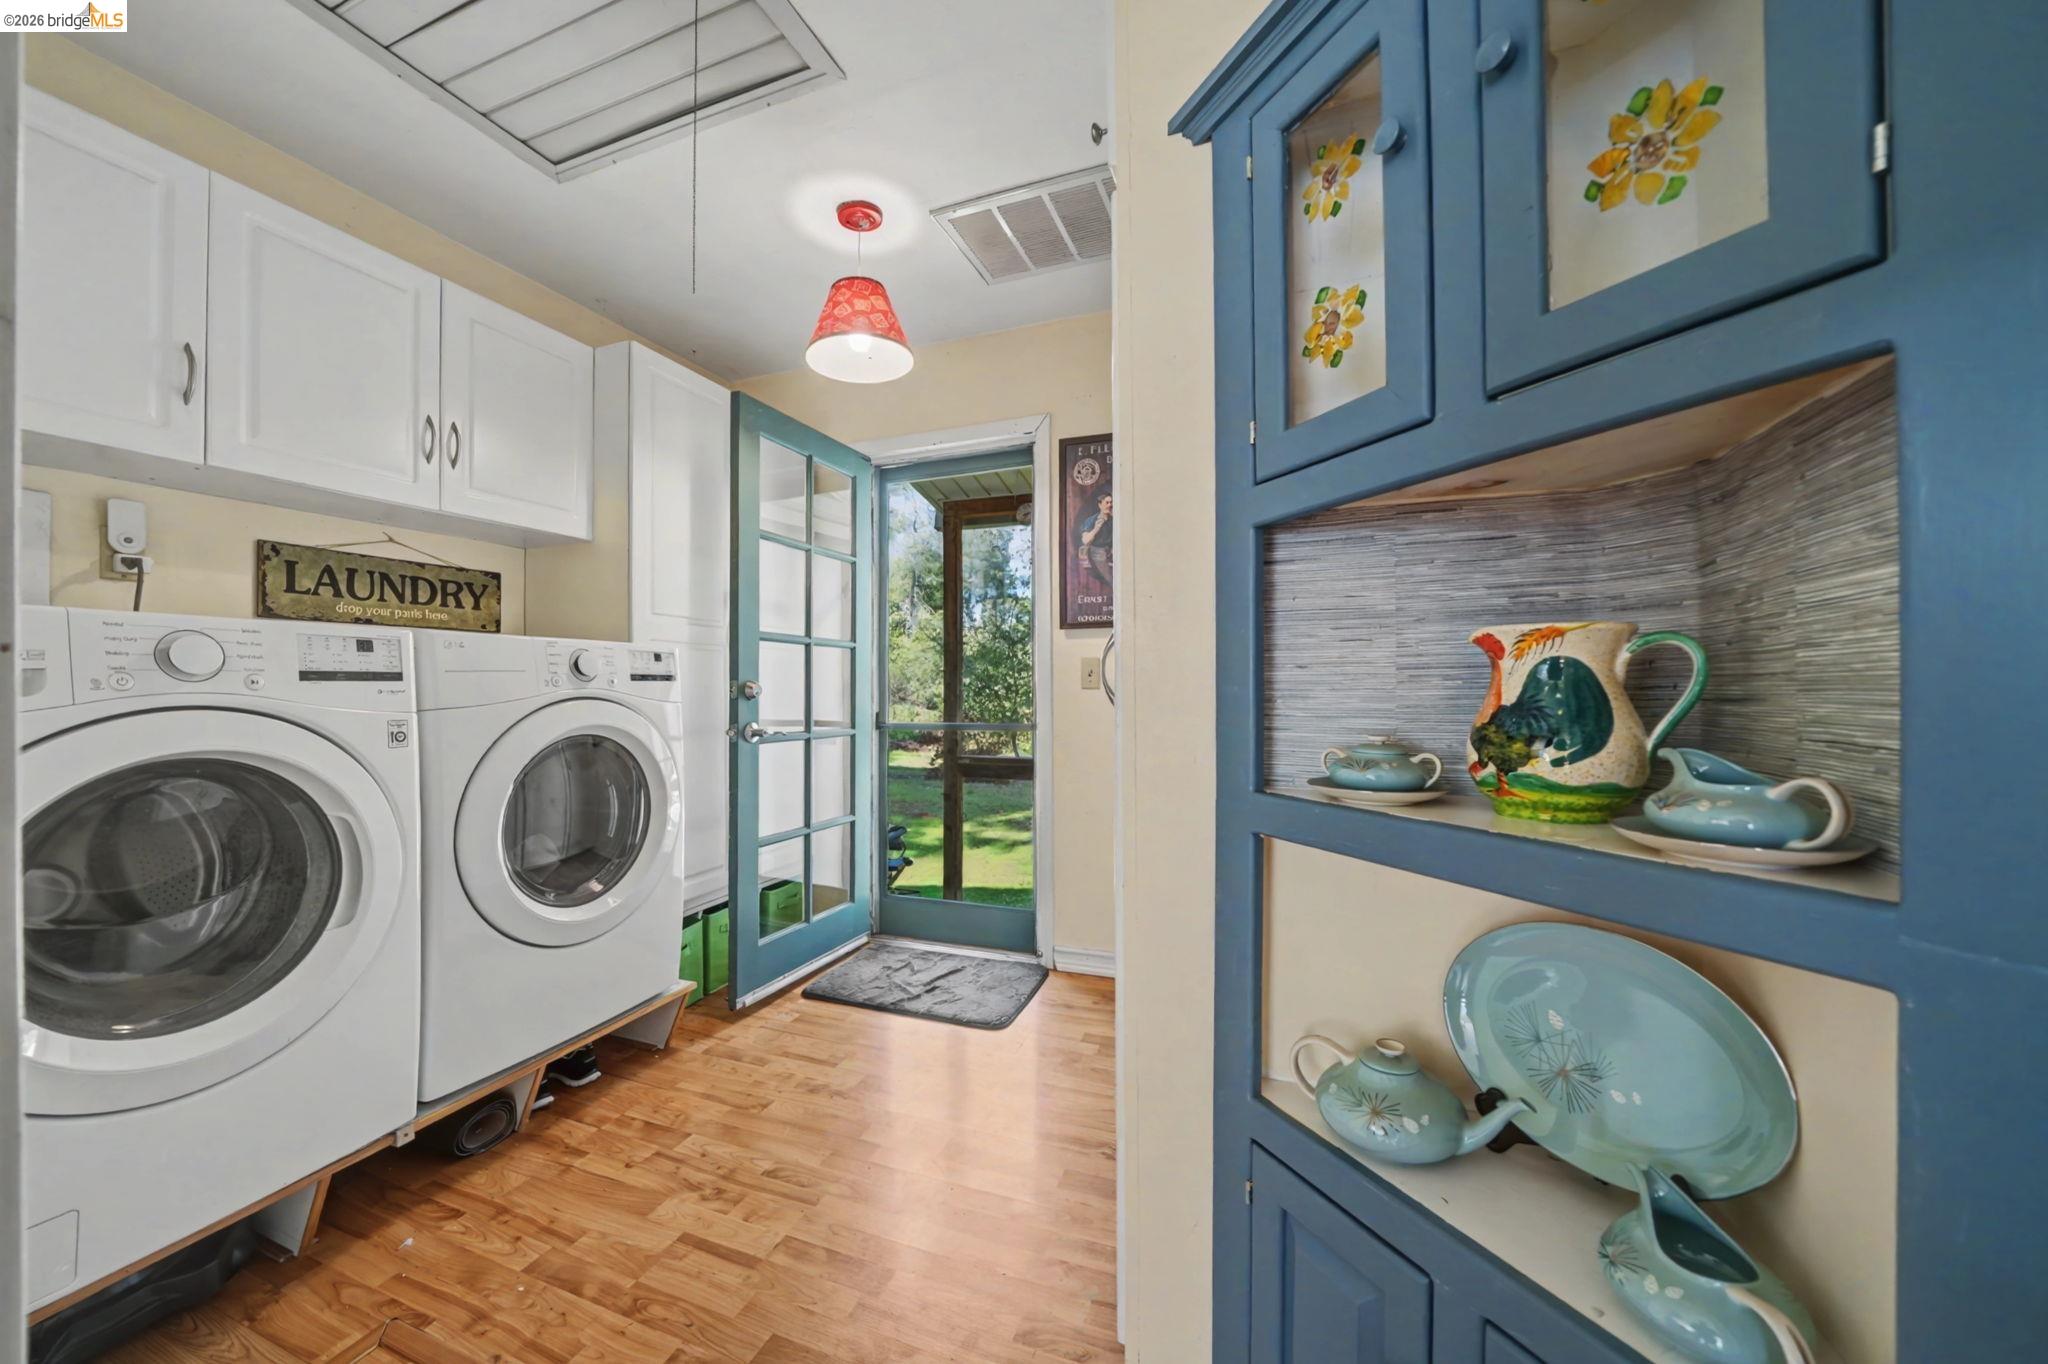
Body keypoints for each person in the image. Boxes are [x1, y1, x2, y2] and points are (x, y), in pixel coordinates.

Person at [1077, 491, 1113, 591]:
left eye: (1111, 503)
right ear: (1100, 505)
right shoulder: (1091, 520)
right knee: (1111, 580)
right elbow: (1085, 541)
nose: (1110, 505)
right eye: (1107, 503)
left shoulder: (1114, 519)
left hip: (1112, 552)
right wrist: (1096, 529)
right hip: (1098, 553)